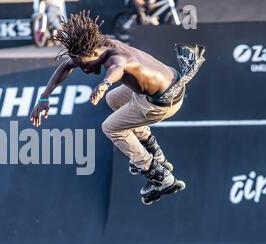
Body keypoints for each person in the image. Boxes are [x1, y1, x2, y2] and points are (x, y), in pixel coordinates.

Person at [29, 11, 205, 204]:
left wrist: (104, 84)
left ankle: (158, 175)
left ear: (95, 54)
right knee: (114, 100)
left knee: (110, 127)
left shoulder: (117, 58)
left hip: (162, 101)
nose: (85, 70)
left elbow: (117, 68)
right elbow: (66, 65)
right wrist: (44, 97)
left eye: (85, 66)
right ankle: (152, 149)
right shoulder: (98, 44)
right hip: (161, 86)